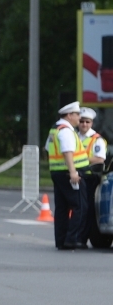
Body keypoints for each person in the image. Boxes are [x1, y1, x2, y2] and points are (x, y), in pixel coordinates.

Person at [45, 101, 89, 250]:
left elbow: (48, 148)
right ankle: (72, 239)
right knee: (80, 206)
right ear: (70, 115)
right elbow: (67, 151)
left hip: (57, 172)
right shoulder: (66, 131)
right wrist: (73, 172)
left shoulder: (55, 129)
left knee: (62, 208)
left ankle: (61, 240)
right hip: (68, 173)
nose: (79, 118)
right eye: (77, 115)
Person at [77, 107, 107, 247]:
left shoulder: (96, 139)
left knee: (86, 209)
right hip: (76, 176)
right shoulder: (75, 136)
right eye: (82, 121)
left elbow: (99, 159)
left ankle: (82, 238)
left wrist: (78, 160)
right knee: (77, 208)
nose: (84, 124)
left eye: (87, 122)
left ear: (92, 123)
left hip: (90, 178)